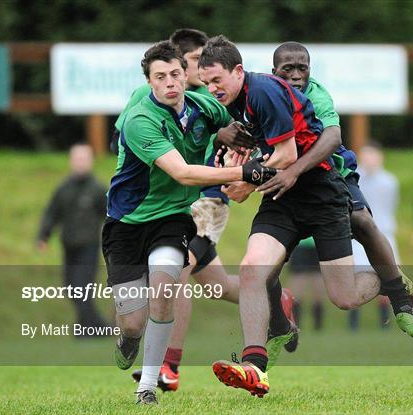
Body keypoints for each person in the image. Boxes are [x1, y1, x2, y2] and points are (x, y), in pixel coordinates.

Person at [198, 35, 413, 397]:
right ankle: (254, 366)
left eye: (216, 81)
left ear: (238, 71)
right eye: (206, 82)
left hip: (321, 191)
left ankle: (390, 283)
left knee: (345, 297)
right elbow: (247, 150)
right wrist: (231, 155)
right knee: (252, 268)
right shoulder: (233, 102)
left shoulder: (265, 92)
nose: (211, 89)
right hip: (282, 196)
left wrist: (244, 180)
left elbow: (288, 155)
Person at [121, 29, 296, 393]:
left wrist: (232, 144)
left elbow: (245, 134)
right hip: (170, 202)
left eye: (202, 67)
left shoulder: (213, 99)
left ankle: (169, 366)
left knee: (177, 268)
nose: (197, 76)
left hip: (209, 198)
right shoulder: (149, 102)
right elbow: (126, 139)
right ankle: (277, 301)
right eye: (195, 65)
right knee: (215, 286)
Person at [37, 143, 108, 334]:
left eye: (84, 159)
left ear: (91, 161)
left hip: (89, 247)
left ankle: (88, 330)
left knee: (82, 289)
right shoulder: (63, 189)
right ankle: (97, 328)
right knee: (71, 289)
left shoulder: (97, 189)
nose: (80, 163)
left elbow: (110, 216)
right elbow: (52, 213)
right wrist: (43, 236)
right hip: (69, 247)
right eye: (77, 159)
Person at [349, 141, 400, 330]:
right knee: (356, 277)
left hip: (384, 233)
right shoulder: (354, 179)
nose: (369, 160)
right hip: (359, 236)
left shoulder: (389, 181)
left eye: (373, 155)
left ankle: (385, 323)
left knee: (387, 275)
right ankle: (354, 324)